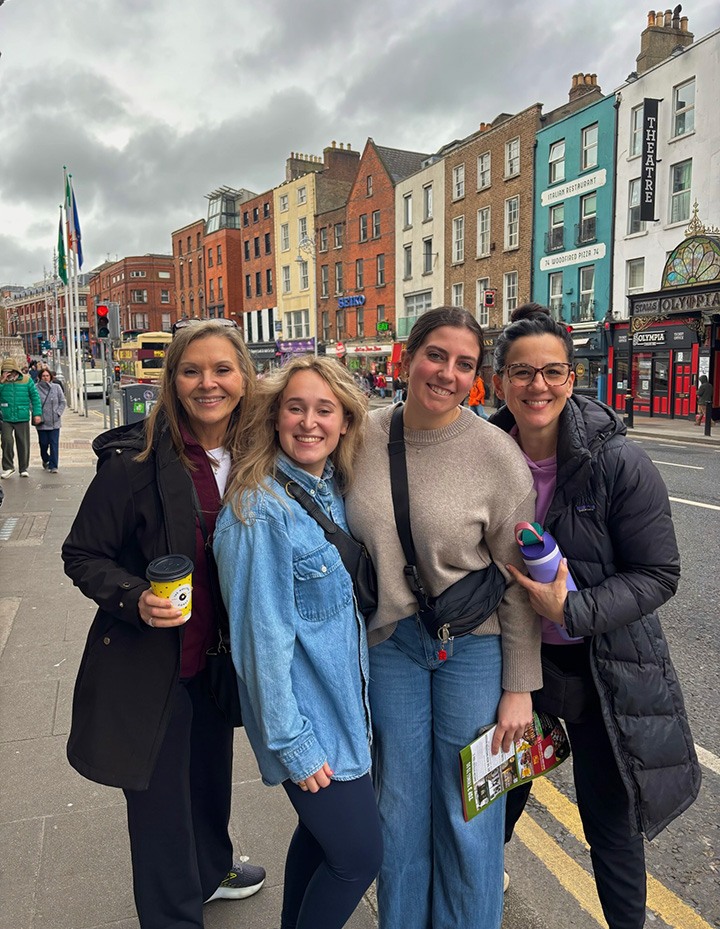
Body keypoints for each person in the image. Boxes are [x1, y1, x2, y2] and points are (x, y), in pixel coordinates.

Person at [491, 304, 701, 929]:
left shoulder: (618, 462)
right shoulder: (483, 453)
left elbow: (660, 573)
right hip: (517, 671)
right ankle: (473, 892)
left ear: (572, 375)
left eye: (553, 371)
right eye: (523, 372)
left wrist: (572, 608)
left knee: (609, 825)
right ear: (500, 379)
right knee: (493, 797)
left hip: (602, 669)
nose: (539, 386)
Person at [61, 320, 266, 929]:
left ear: (244, 377)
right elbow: (82, 553)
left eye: (223, 369)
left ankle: (212, 870)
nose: (209, 383)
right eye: (191, 370)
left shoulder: (261, 453)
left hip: (220, 660)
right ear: (172, 380)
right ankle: (173, 914)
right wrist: (133, 596)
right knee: (158, 808)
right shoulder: (135, 462)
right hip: (153, 666)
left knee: (208, 778)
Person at [344, 306, 541, 929]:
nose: (447, 373)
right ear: (407, 357)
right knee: (397, 809)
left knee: (470, 811)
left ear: (476, 377)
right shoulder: (359, 435)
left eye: (464, 364)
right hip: (391, 643)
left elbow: (520, 581)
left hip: (476, 650)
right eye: (436, 355)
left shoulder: (497, 455)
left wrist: (520, 690)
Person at [214, 356, 382, 929]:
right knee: (360, 857)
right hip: (309, 725)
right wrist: (294, 742)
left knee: (323, 843)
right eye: (296, 408)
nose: (309, 422)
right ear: (275, 418)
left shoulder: (335, 487)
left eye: (324, 410)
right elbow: (260, 643)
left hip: (348, 709)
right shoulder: (258, 511)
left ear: (344, 422)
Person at [0, 357, 42, 478]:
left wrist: (37, 413)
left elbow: (35, 398)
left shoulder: (26, 380)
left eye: (10, 371)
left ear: (15, 370)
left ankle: (23, 468)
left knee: (23, 443)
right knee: (6, 441)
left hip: (22, 416)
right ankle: (8, 467)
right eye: (5, 371)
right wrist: (2, 382)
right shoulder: (1, 382)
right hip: (6, 416)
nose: (8, 374)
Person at [36, 368, 66, 473]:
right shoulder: (36, 388)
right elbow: (32, 402)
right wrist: (37, 414)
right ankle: (46, 459)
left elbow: (63, 401)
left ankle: (54, 466)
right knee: (43, 444)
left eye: (47, 376)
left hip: (54, 422)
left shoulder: (56, 387)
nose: (45, 378)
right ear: (40, 377)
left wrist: (58, 413)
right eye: (43, 376)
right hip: (42, 422)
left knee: (54, 444)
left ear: (51, 377)